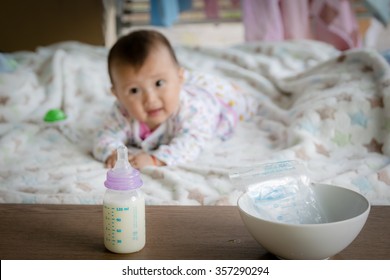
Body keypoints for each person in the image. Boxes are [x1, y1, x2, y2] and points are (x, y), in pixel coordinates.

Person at [93, 29, 258, 169]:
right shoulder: (122, 112)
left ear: (179, 78)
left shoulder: (192, 111)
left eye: (159, 83)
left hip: (214, 101)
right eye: (134, 90)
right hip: (180, 84)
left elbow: (192, 143)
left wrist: (155, 159)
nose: (150, 99)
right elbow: (104, 137)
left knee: (242, 102)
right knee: (184, 82)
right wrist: (114, 153)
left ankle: (234, 90)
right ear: (117, 95)